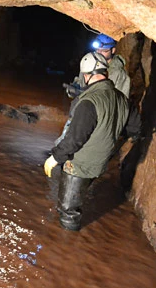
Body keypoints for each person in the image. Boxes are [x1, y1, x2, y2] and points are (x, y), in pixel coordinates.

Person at [44, 52, 129, 231]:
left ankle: (65, 247)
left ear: (86, 75)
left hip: (80, 164)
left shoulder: (89, 102)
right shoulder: (122, 98)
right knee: (79, 195)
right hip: (100, 162)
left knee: (68, 211)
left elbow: (75, 139)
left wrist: (55, 157)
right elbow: (134, 126)